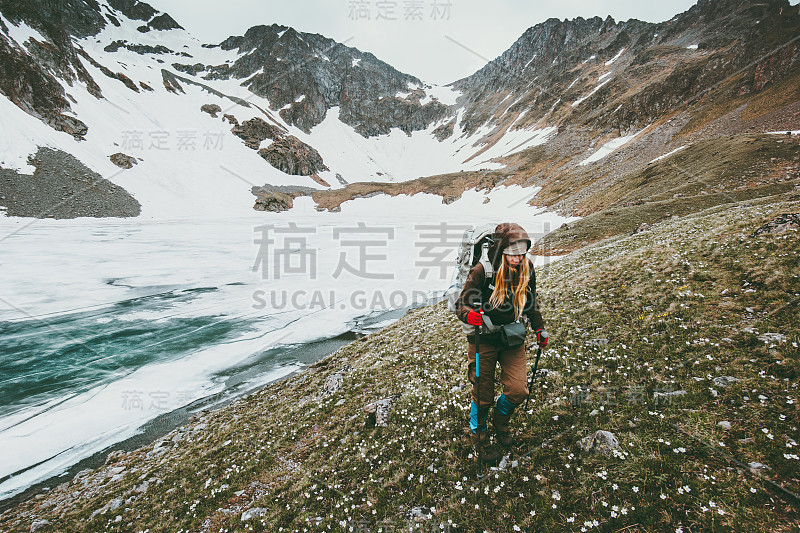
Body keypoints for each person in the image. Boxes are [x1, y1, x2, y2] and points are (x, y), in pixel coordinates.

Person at [455, 222, 549, 462]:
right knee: (482, 394)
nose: (518, 259)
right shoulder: (481, 270)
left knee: (518, 390)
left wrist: (539, 328)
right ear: (503, 252)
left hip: (512, 338)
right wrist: (470, 315)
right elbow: (461, 304)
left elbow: (531, 301)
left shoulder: (526, 268)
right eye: (512, 254)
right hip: (483, 339)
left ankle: (500, 420)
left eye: (522, 254)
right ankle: (481, 439)